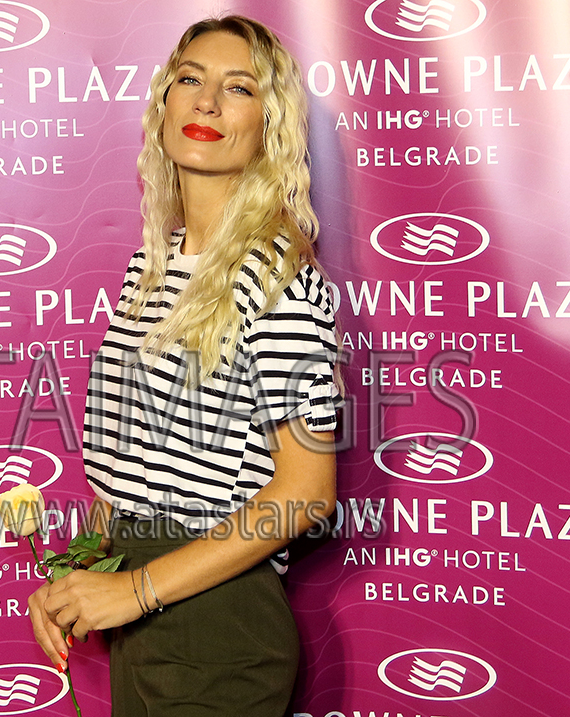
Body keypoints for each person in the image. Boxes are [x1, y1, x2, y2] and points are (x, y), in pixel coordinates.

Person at [28, 15, 341, 716]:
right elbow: (134, 465)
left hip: (217, 624)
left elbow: (307, 489)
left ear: (269, 125)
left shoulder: (277, 276)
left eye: (239, 88)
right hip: (140, 613)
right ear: (164, 100)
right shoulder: (150, 269)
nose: (207, 102)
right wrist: (80, 573)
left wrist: (135, 590)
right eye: (190, 79)